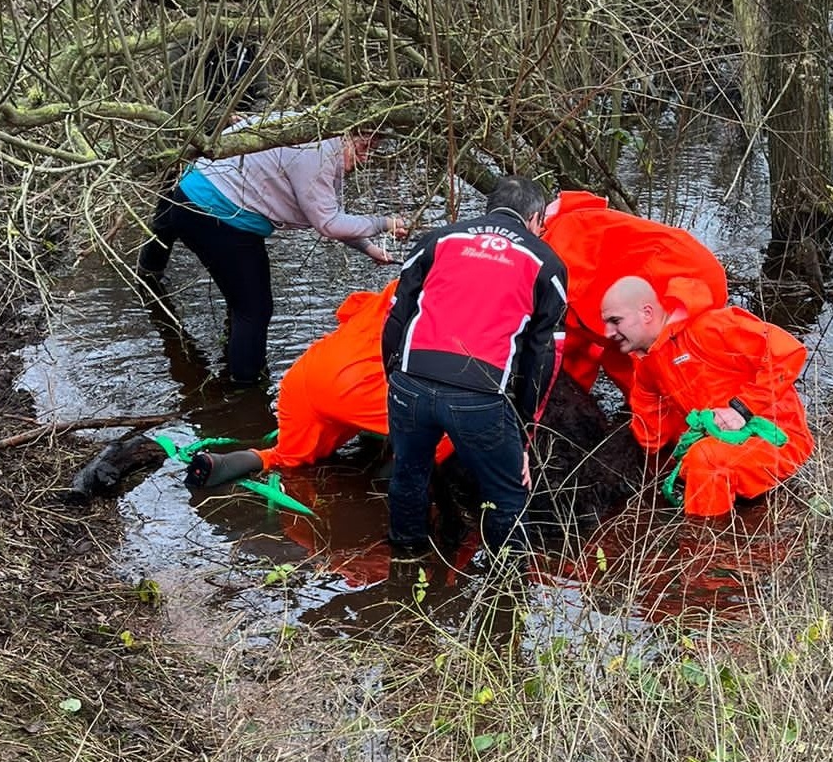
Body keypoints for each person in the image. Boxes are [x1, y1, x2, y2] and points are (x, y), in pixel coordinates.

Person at [136, 114, 409, 384]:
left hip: (196, 195)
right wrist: (386, 223)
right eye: (363, 148)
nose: (364, 160)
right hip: (214, 211)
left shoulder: (312, 130)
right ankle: (245, 390)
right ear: (346, 133)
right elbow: (329, 224)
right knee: (254, 309)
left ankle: (150, 281)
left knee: (243, 300)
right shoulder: (317, 151)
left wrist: (370, 249)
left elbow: (330, 215)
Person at [382, 175, 568, 562]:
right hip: (480, 394)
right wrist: (525, 430)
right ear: (534, 218)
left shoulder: (437, 240)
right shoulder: (545, 262)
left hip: (411, 382)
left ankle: (406, 558)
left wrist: (393, 378)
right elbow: (542, 356)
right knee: (506, 492)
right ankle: (506, 591)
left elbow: (397, 318)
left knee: (408, 473)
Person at [184, 279, 450, 487]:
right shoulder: (450, 303)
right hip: (359, 389)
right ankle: (391, 477)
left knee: (287, 456)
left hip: (307, 376)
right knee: (452, 426)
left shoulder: (398, 286)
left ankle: (224, 464)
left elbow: (347, 310)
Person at [600, 275, 814, 518]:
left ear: (647, 313)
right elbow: (650, 434)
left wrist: (741, 409)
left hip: (777, 437)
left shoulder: (712, 327)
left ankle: (705, 548)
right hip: (714, 442)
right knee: (687, 463)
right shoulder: (646, 364)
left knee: (706, 461)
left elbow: (789, 352)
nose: (608, 332)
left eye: (615, 321)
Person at [540, 190, 728, 396]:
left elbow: (561, 334)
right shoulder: (579, 223)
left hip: (679, 279)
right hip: (692, 269)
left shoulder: (553, 249)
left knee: (668, 370)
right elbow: (580, 340)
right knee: (630, 358)